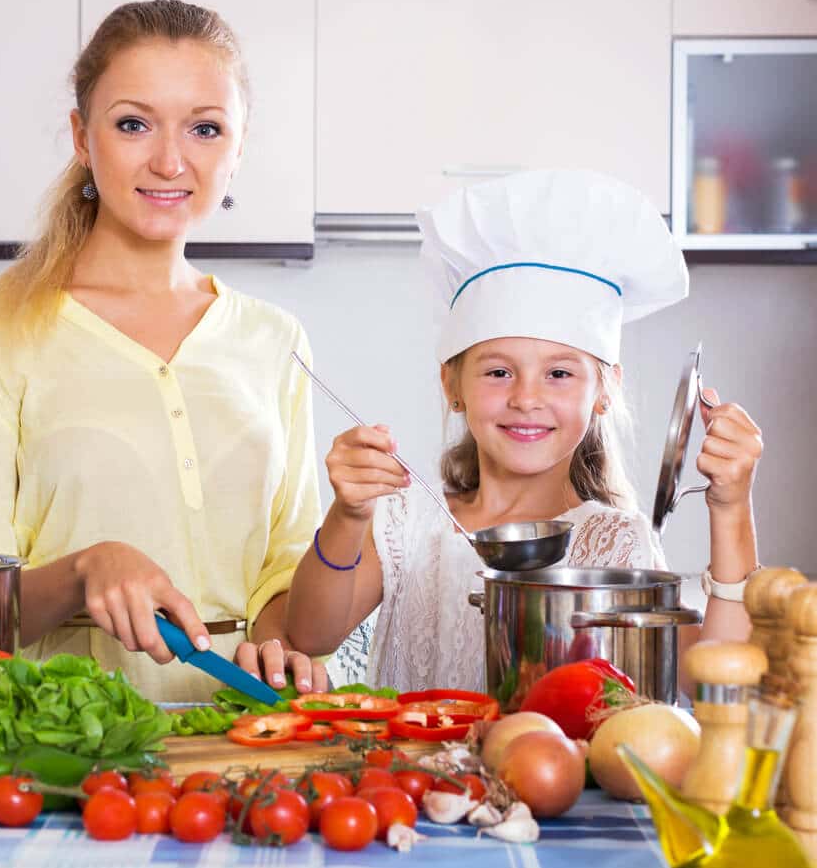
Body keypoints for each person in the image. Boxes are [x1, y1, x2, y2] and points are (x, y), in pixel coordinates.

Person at [0, 0, 329, 701]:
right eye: (133, 124)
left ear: (240, 145)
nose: (170, 160)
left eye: (205, 128)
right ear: (83, 137)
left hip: (243, 739)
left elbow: (284, 567)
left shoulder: (275, 339)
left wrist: (278, 641)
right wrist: (88, 567)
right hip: (69, 749)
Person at [285, 169, 763, 695]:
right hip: (409, 778)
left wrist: (731, 508)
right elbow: (308, 634)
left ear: (604, 391)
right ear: (452, 383)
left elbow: (713, 677)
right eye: (498, 371)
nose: (526, 398)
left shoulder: (616, 542)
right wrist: (348, 513)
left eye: (559, 373)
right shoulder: (405, 521)